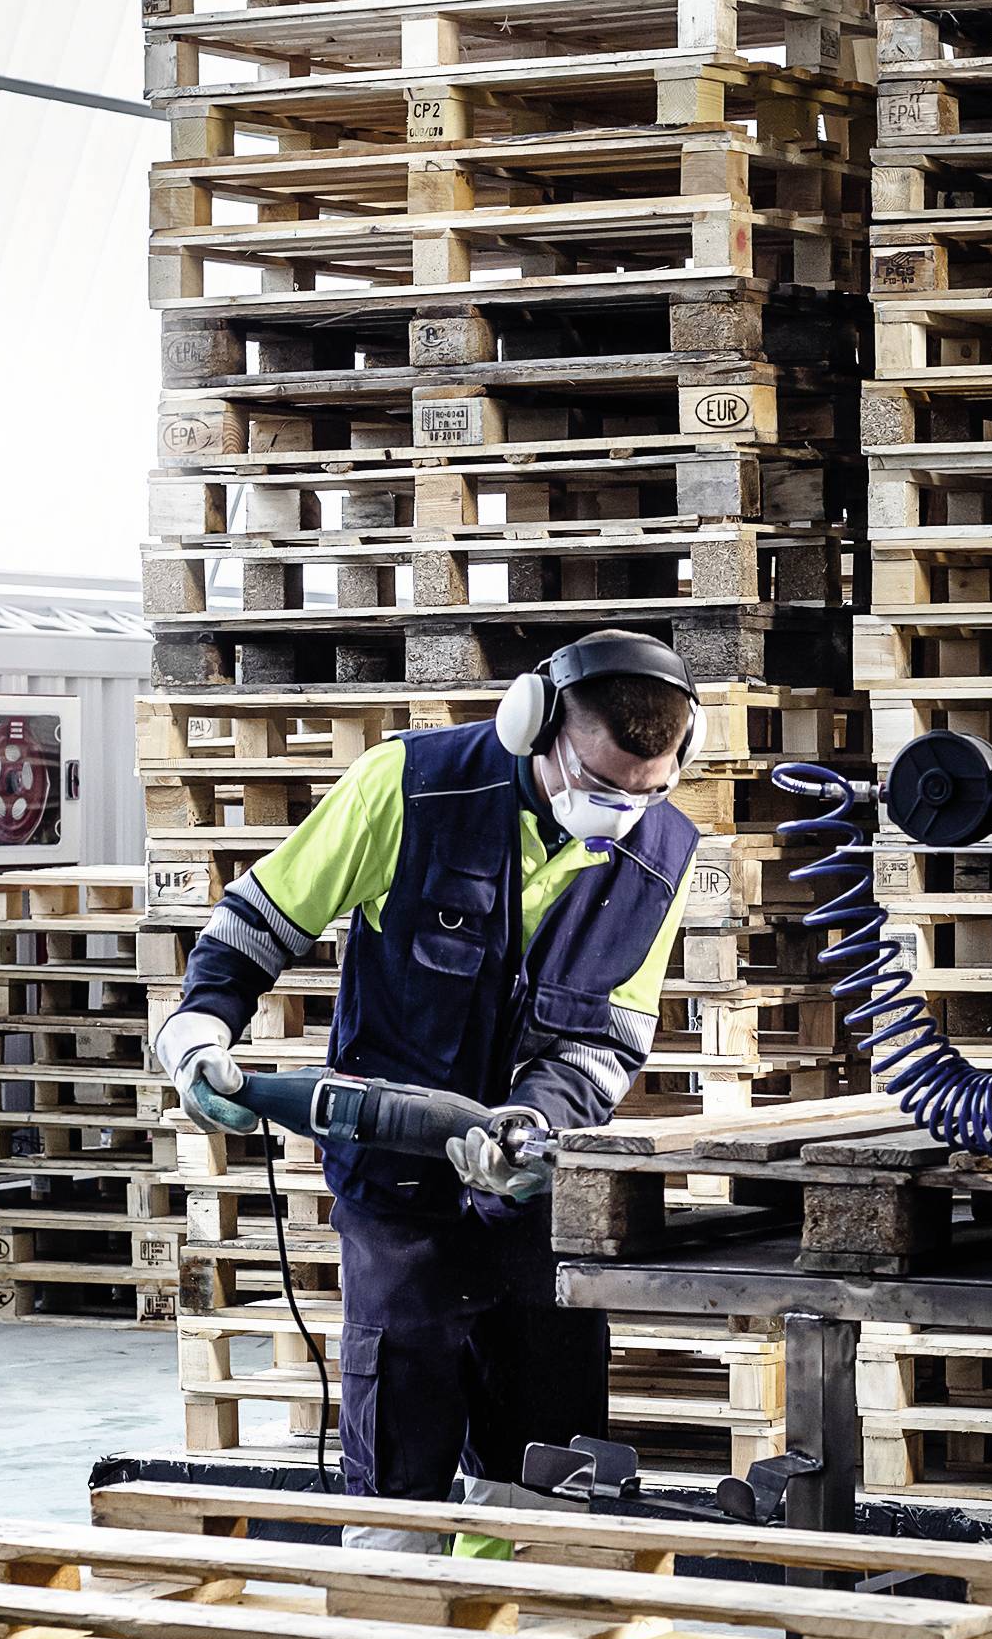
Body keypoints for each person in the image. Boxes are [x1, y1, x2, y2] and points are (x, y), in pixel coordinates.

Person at [151, 631, 704, 1500]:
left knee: (549, 1462)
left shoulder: (662, 851)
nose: (620, 814)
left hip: (534, 1203)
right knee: (399, 1452)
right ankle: (391, 1583)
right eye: (600, 787)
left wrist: (533, 1127)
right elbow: (261, 921)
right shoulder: (409, 787)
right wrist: (198, 1030)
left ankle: (515, 1583)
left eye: (647, 792)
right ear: (534, 725)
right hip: (397, 1196)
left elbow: (608, 1040)